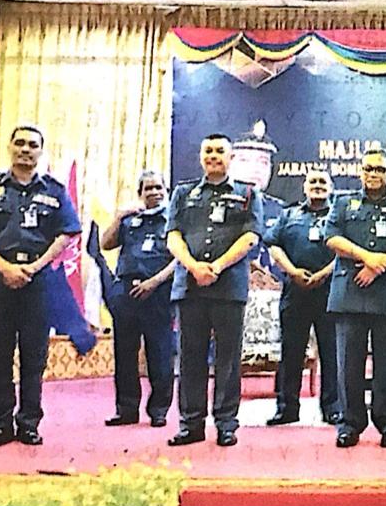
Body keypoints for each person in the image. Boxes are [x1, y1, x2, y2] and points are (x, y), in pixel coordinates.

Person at [0, 125, 81, 446]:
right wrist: (4, 267)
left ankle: (29, 423)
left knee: (34, 355)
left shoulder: (55, 192)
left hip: (38, 280)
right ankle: (0, 425)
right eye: (20, 143)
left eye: (33, 145)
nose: (26, 150)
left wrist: (34, 266)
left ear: (40, 151)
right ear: (10, 147)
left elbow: (67, 232)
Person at [165, 134, 263, 447]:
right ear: (200, 156)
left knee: (228, 359)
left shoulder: (248, 193)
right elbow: (173, 235)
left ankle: (226, 424)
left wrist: (217, 267)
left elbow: (251, 237)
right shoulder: (183, 193)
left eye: (220, 151)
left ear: (230, 158)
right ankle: (191, 424)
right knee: (190, 357)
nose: (213, 156)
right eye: (208, 150)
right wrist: (193, 266)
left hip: (228, 288)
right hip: (190, 286)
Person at [324, 149, 386, 448]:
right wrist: (367, 257)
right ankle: (349, 424)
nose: (373, 174)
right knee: (348, 366)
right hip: (350, 294)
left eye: (379, 169)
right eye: (368, 168)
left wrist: (382, 264)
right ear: (360, 172)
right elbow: (332, 237)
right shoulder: (342, 203)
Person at [263, 169, 341, 426]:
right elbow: (273, 245)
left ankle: (332, 408)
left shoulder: (339, 215)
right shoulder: (289, 215)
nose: (317, 185)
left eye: (323, 182)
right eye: (313, 182)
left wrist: (323, 274)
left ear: (331, 187)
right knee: (291, 351)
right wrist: (293, 271)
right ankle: (287, 408)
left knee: (331, 351)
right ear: (304, 187)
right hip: (295, 291)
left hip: (330, 291)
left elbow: (347, 249)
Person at [99, 170, 175, 428]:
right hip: (126, 292)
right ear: (140, 193)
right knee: (124, 354)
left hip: (158, 291)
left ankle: (159, 410)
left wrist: (154, 282)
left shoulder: (174, 219)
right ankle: (126, 409)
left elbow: (180, 259)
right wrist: (119, 217)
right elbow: (105, 244)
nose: (154, 192)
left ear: (166, 191)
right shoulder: (131, 220)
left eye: (158, 188)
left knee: (160, 353)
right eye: (148, 189)